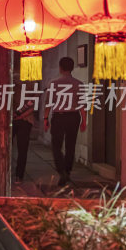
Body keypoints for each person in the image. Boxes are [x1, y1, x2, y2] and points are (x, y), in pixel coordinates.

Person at [43, 56, 87, 187]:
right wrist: (84, 121)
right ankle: (67, 170)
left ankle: (61, 170)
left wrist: (45, 118)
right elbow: (82, 105)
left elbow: (48, 103)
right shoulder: (79, 84)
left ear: (60, 68)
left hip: (59, 116)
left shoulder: (54, 83)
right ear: (72, 68)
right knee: (70, 145)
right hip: (74, 116)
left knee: (56, 145)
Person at [12, 82, 35, 184]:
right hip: (14, 118)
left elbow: (33, 105)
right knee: (8, 148)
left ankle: (19, 175)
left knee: (22, 149)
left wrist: (20, 116)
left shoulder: (31, 84)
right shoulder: (11, 81)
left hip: (25, 120)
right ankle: (15, 175)